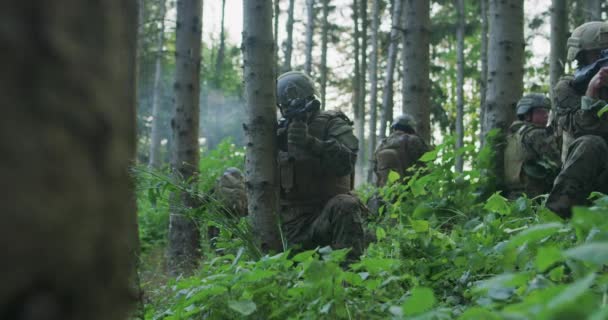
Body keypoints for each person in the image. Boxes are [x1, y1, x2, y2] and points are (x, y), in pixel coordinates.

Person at [276, 71, 366, 260]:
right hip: (293, 228)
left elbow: (347, 162)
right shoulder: (278, 133)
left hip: (330, 218)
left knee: (346, 204)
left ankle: (347, 279)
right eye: (285, 107)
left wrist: (311, 143)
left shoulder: (332, 123)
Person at [547, 21, 608, 217]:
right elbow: (581, 129)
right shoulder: (568, 88)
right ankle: (558, 217)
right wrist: (591, 93)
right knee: (592, 143)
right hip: (587, 176)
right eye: (601, 53)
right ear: (583, 57)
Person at [503, 93, 561, 199]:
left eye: (547, 111)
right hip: (534, 195)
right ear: (527, 115)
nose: (546, 115)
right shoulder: (536, 133)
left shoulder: (513, 135)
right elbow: (557, 162)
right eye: (541, 111)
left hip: (513, 195)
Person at [372, 114, 429, 187]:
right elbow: (426, 162)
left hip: (385, 189)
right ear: (410, 128)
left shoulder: (382, 144)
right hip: (409, 187)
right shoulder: (414, 140)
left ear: (394, 127)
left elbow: (375, 168)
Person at [207, 167, 248, 246]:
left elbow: (206, 199)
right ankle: (233, 251)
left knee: (217, 235)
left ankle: (217, 252)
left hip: (220, 214)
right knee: (234, 234)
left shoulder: (219, 182)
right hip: (237, 214)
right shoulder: (243, 183)